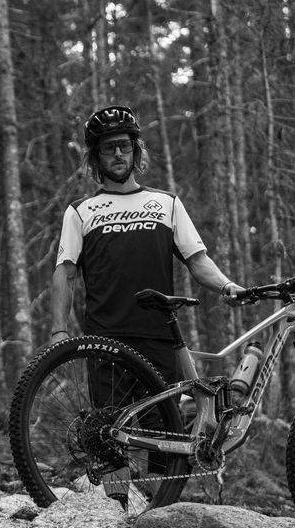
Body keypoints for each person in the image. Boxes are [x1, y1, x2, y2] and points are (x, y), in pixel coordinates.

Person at [51, 104, 244, 390]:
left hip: (160, 338)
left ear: (135, 150)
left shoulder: (168, 204)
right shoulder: (81, 211)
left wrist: (226, 285)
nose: (118, 153)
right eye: (108, 147)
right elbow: (65, 274)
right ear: (95, 157)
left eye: (124, 146)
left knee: (164, 433)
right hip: (105, 341)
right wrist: (58, 331)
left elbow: (197, 261)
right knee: (110, 431)